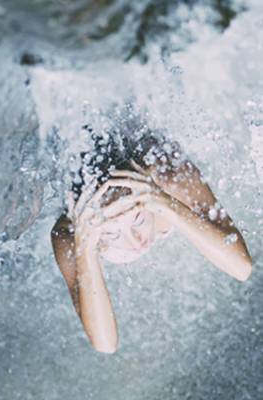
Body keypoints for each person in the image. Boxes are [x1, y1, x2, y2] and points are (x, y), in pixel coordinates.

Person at [50, 122, 252, 354]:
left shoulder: (169, 178)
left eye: (139, 220)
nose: (136, 242)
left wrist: (167, 203)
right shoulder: (71, 234)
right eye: (111, 233)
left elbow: (242, 268)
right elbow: (105, 344)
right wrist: (85, 247)